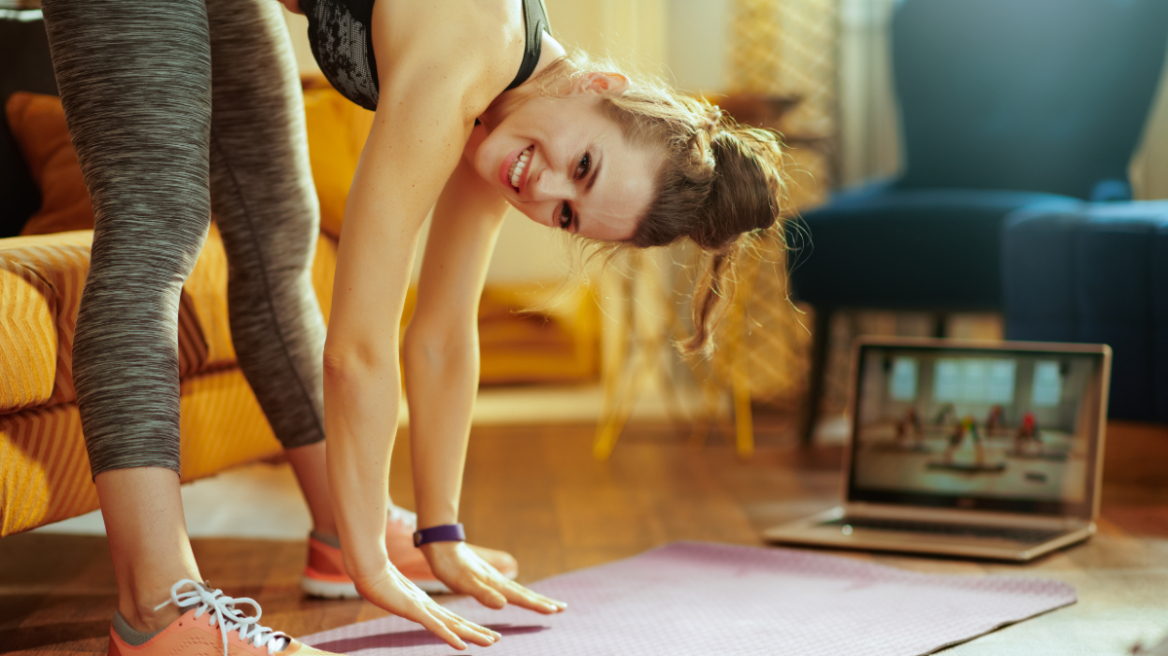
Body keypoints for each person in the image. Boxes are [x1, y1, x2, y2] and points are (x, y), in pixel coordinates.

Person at [40, 0, 786, 652]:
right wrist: (375, 568)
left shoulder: (517, 100)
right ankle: (158, 612)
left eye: (567, 213)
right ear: (601, 87)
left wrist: (443, 532)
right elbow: (358, 350)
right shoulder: (466, 53)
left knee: (277, 242)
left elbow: (443, 331)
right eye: (583, 166)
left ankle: (340, 530)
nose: (546, 188)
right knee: (156, 226)